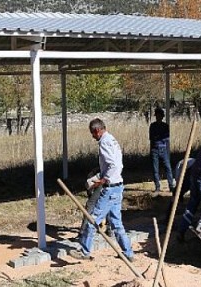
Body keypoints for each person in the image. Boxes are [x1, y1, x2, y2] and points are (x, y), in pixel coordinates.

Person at [70, 118, 135, 262]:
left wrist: (103, 180)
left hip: (110, 188)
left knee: (93, 220)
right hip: (118, 186)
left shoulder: (105, 142)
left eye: (92, 133)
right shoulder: (112, 140)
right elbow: (119, 165)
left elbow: (113, 165)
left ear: (98, 130)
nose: (92, 136)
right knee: (117, 223)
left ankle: (85, 251)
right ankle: (128, 253)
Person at [149, 107, 175, 193]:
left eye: (160, 115)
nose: (158, 117)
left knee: (168, 168)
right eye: (157, 115)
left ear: (162, 116)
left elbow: (166, 138)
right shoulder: (153, 126)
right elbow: (152, 138)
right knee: (155, 169)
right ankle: (157, 187)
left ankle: (171, 186)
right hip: (155, 149)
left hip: (163, 149)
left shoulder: (165, 126)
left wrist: (167, 151)